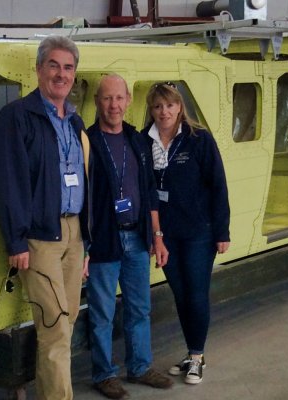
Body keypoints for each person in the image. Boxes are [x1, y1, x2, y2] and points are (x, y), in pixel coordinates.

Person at [0, 36, 88, 400]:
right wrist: (16, 240)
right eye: (54, 66)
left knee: (67, 321)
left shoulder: (74, 121)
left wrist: (84, 242)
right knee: (55, 328)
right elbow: (6, 180)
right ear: (39, 69)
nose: (61, 74)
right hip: (40, 237)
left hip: (74, 233)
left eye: (68, 67)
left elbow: (84, 177)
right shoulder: (16, 118)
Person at [84, 74, 173, 399]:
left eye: (119, 98)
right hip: (104, 242)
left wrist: (157, 236)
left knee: (139, 308)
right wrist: (84, 246)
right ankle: (103, 374)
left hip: (137, 239)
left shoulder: (138, 141)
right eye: (107, 98)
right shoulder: (87, 142)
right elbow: (82, 199)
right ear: (97, 101)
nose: (114, 105)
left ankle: (139, 367)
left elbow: (149, 191)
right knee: (102, 313)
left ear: (128, 101)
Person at [141, 82, 230, 385]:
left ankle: (196, 356)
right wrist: (154, 235)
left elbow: (218, 184)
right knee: (180, 294)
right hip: (166, 234)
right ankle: (192, 352)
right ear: (151, 111)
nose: (164, 112)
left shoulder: (198, 139)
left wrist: (222, 230)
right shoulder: (144, 141)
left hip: (198, 232)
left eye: (169, 105)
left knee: (196, 293)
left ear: (179, 107)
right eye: (157, 107)